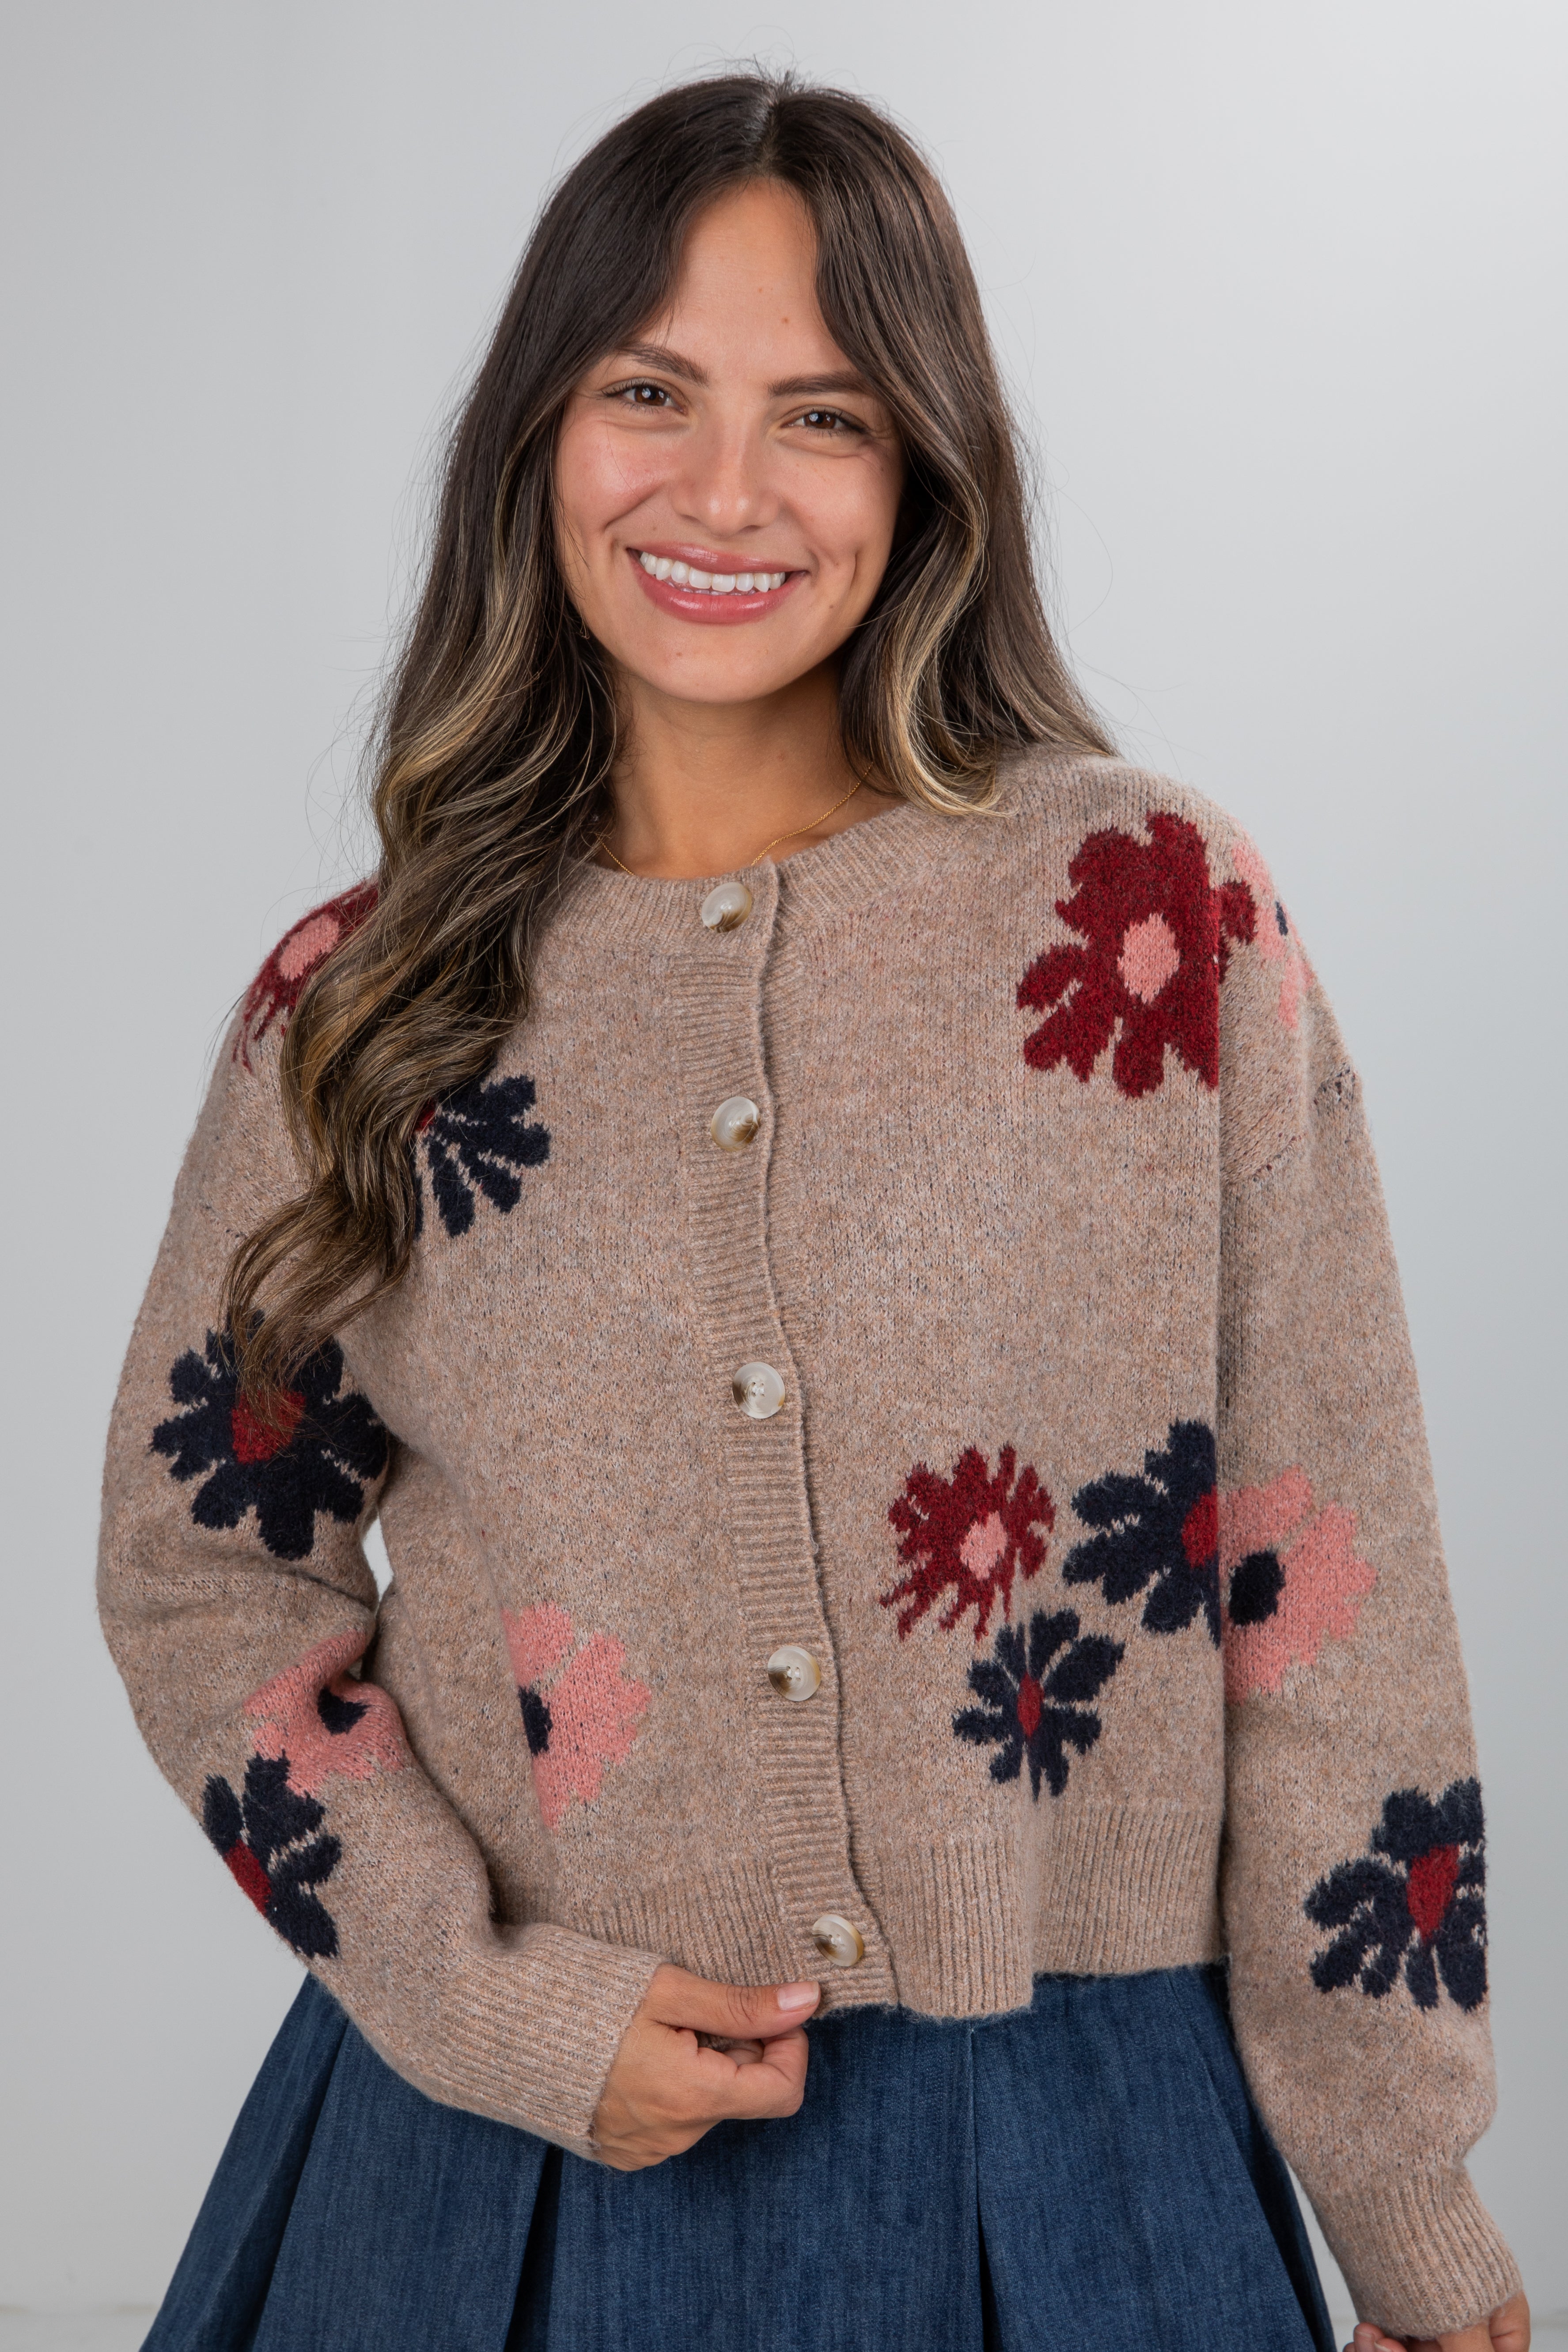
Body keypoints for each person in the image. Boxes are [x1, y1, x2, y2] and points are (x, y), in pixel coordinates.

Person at [99, 70, 1529, 2352]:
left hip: (1076, 2162)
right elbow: (201, 1577)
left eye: (826, 415)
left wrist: (1407, 2204)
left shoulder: (1150, 931)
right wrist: (487, 2004)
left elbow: (1323, 1586)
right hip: (490, 2186)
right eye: (650, 391)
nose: (726, 491)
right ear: (539, 436)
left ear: (928, 465)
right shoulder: (364, 1007)